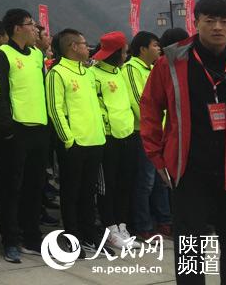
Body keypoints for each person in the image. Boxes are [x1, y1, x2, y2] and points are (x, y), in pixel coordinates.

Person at [141, 0, 226, 285]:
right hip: (189, 169)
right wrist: (157, 156)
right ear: (196, 22)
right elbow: (150, 108)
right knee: (190, 247)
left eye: (225, 21)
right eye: (210, 20)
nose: (217, 27)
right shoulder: (172, 61)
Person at [0, 9, 48, 263]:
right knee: (11, 188)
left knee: (35, 186)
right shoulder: (2, 55)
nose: (35, 29)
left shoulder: (37, 55)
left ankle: (31, 236)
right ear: (16, 29)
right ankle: (10, 240)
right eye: (30, 24)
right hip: (16, 131)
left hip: (39, 128)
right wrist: (7, 129)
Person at [46, 29, 106, 257]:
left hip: (95, 140)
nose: (87, 48)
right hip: (75, 144)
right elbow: (55, 109)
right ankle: (72, 238)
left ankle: (89, 234)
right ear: (72, 47)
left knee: (89, 192)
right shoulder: (57, 73)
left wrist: (100, 132)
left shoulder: (87, 73)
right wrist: (68, 140)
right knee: (71, 193)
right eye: (83, 44)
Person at [90, 31, 139, 250]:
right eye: (124, 51)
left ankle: (122, 225)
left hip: (127, 135)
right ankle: (110, 228)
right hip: (107, 138)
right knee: (107, 186)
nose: (126, 55)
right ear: (117, 52)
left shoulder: (120, 72)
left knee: (124, 183)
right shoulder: (93, 74)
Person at [124, 30, 171, 238]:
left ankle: (164, 220)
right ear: (142, 49)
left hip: (161, 132)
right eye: (155, 45)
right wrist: (153, 126)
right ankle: (143, 225)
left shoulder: (153, 68)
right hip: (144, 133)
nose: (159, 49)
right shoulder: (131, 69)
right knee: (146, 181)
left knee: (162, 180)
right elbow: (140, 102)